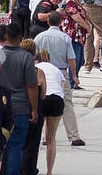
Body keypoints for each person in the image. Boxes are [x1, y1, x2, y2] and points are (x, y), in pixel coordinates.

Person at [0, 22, 40, 175]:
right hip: (20, 106)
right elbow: (31, 85)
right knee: (16, 144)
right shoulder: (26, 58)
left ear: (5, 36)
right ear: (21, 38)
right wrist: (34, 108)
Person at [35, 10, 85, 148]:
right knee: (67, 103)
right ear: (61, 22)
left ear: (48, 21)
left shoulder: (39, 37)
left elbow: (33, 56)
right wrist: (74, 75)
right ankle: (74, 136)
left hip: (42, 71)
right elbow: (71, 59)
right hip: (61, 71)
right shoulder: (65, 38)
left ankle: (46, 136)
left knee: (43, 100)